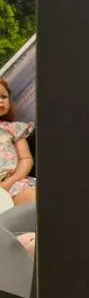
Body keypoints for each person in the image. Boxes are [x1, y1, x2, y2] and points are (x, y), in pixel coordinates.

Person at [0, 77, 36, 205]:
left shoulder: (13, 129)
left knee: (35, 199)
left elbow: (26, 159)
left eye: (4, 97)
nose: (1, 101)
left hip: (13, 185)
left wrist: (10, 182)